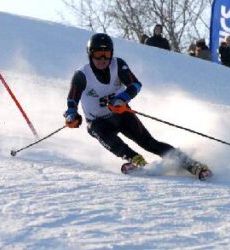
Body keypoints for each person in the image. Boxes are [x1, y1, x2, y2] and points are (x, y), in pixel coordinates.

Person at [64, 33, 211, 179]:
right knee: (106, 136)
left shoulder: (118, 65)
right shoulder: (82, 75)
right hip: (97, 121)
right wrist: (72, 116)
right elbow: (72, 100)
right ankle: (136, 159)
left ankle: (190, 163)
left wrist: (121, 99)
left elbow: (135, 84)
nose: (103, 59)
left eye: (106, 54)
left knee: (149, 142)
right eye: (98, 54)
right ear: (90, 55)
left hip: (121, 114)